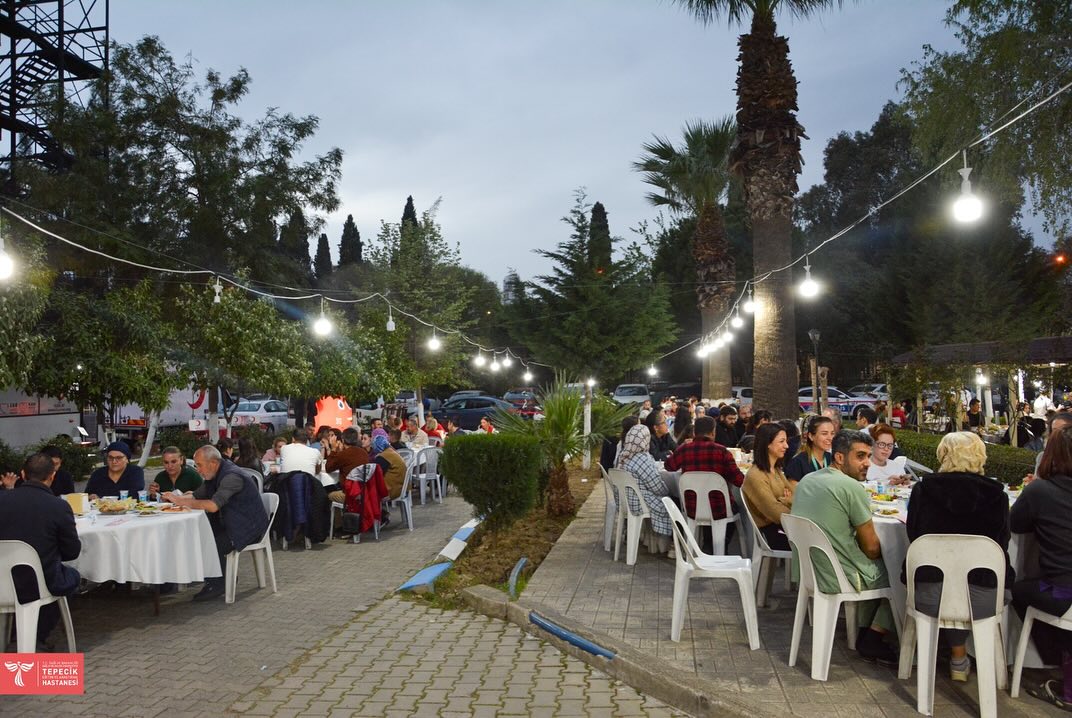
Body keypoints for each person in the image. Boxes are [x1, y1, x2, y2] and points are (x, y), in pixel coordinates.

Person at [902, 431, 1012, 683]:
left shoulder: (923, 490)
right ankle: (969, 658)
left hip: (930, 594)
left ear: (944, 455)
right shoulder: (997, 496)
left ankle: (954, 654)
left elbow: (914, 537)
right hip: (984, 597)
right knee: (979, 588)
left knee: (942, 584)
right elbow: (1002, 545)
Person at [791, 430, 898, 666]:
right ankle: (874, 636)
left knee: (877, 566)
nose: (867, 463)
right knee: (901, 574)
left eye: (868, 456)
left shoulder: (807, 480)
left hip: (808, 570)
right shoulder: (851, 487)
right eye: (860, 456)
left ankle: (865, 634)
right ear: (839, 457)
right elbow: (871, 548)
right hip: (839, 575)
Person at [1010, 425, 1072, 709]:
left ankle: (1058, 666)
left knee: (1017, 590)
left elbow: (1016, 524)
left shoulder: (1041, 490)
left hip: (1063, 593)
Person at [165, 446, 268, 602]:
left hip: (248, 528)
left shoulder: (231, 477)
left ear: (213, 463)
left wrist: (181, 501)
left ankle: (219, 583)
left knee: (209, 543)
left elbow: (213, 506)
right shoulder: (214, 474)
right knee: (197, 535)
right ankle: (219, 578)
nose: (198, 470)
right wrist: (174, 498)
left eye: (199, 465)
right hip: (232, 522)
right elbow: (195, 496)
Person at [0, 453, 81, 649]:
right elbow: (71, 552)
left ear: (22, 474)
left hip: (2, 581)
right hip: (39, 584)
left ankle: (17, 635)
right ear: (52, 476)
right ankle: (36, 637)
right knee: (71, 576)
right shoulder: (58, 506)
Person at [665, 415, 745, 530]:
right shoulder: (722, 451)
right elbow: (739, 481)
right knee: (739, 507)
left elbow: (668, 466)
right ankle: (721, 539)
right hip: (719, 508)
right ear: (713, 432)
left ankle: (704, 538)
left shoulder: (684, 449)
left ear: (694, 433)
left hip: (692, 507)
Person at [742, 423, 794, 550]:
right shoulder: (756, 476)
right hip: (772, 532)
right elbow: (775, 512)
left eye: (786, 441)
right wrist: (786, 501)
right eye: (781, 441)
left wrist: (783, 501)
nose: (786, 446)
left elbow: (795, 496)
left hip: (785, 526)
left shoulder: (775, 470)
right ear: (767, 444)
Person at [615, 424, 672, 540]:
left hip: (624, 502)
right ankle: (670, 542)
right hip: (638, 504)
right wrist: (668, 491)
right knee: (671, 504)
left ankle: (649, 540)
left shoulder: (623, 456)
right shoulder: (642, 458)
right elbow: (656, 486)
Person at [325, 428, 372, 505]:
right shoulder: (364, 453)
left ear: (343, 440)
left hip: (349, 493)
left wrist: (333, 449)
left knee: (327, 494)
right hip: (364, 490)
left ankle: (336, 513)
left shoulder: (344, 454)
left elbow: (328, 468)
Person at [784, 416, 835, 482]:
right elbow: (793, 487)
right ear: (811, 436)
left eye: (832, 433)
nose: (830, 438)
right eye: (824, 434)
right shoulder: (798, 462)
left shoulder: (832, 459)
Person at [371, 434, 408, 506]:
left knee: (365, 490)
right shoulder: (391, 451)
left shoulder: (383, 457)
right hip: (401, 487)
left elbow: (374, 474)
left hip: (392, 491)